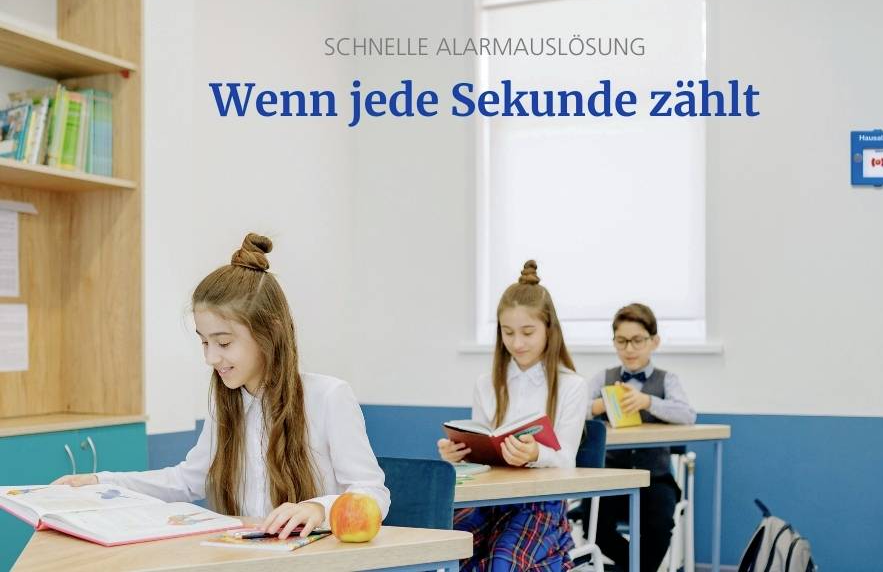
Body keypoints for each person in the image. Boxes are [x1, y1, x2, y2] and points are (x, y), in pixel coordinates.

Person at [54, 233, 389, 539]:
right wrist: (101, 482)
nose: (211, 358)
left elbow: (373, 494)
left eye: (224, 342)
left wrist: (319, 508)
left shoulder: (328, 397)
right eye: (204, 343)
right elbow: (188, 480)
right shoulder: (228, 402)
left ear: (269, 333)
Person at [438, 260, 588, 571]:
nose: (517, 343)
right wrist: (458, 454)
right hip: (489, 498)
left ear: (550, 329)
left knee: (501, 563)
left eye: (528, 332)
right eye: (508, 333)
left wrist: (536, 453)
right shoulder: (487, 384)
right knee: (447, 547)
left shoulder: (571, 386)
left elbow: (568, 461)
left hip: (543, 502)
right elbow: (482, 454)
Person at [586, 303, 696, 572]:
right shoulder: (603, 377)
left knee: (659, 528)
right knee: (595, 527)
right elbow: (574, 411)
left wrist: (648, 401)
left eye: (637, 340)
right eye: (622, 341)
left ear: (654, 342)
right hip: (610, 477)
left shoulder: (667, 380)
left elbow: (687, 414)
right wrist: (600, 405)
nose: (630, 349)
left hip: (655, 477)